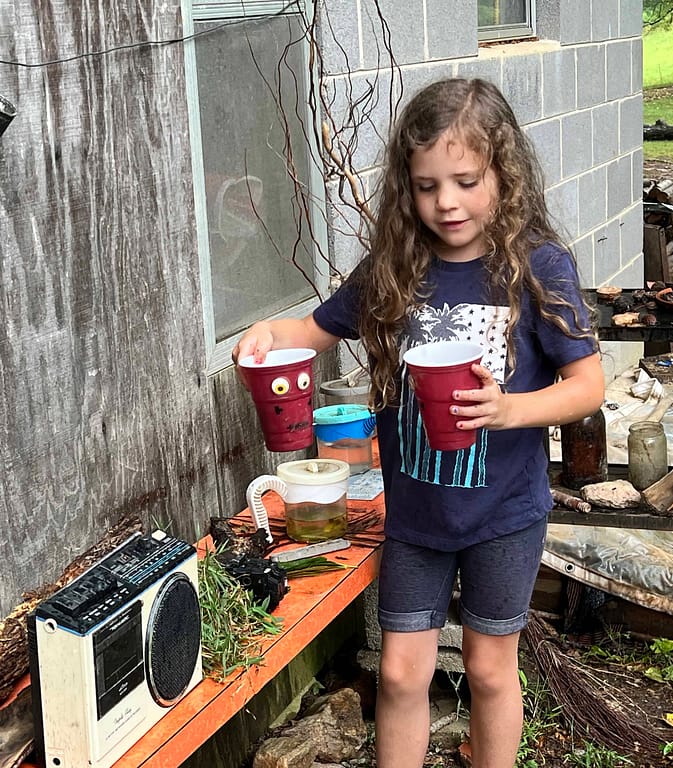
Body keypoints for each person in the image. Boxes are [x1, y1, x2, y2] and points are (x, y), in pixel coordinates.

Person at [233, 78, 604, 768]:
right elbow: (311, 329)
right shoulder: (394, 269)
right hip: (417, 514)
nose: (447, 203)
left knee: (491, 670)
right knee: (402, 673)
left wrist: (509, 409)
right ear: (408, 187)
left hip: (504, 511)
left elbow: (587, 385)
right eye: (428, 186)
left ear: (504, 173)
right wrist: (265, 332)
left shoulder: (537, 266)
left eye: (465, 181)